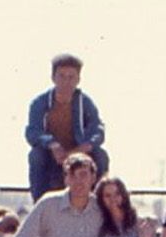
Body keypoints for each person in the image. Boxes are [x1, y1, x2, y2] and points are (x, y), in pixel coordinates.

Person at [24, 53, 110, 200]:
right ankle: (39, 204)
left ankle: (99, 202)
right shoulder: (40, 103)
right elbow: (32, 131)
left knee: (101, 156)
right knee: (35, 156)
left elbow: (98, 129)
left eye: (71, 77)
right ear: (53, 78)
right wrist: (52, 144)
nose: (66, 82)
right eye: (62, 76)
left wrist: (87, 145)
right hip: (51, 155)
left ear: (78, 80)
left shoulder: (85, 103)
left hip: (79, 153)